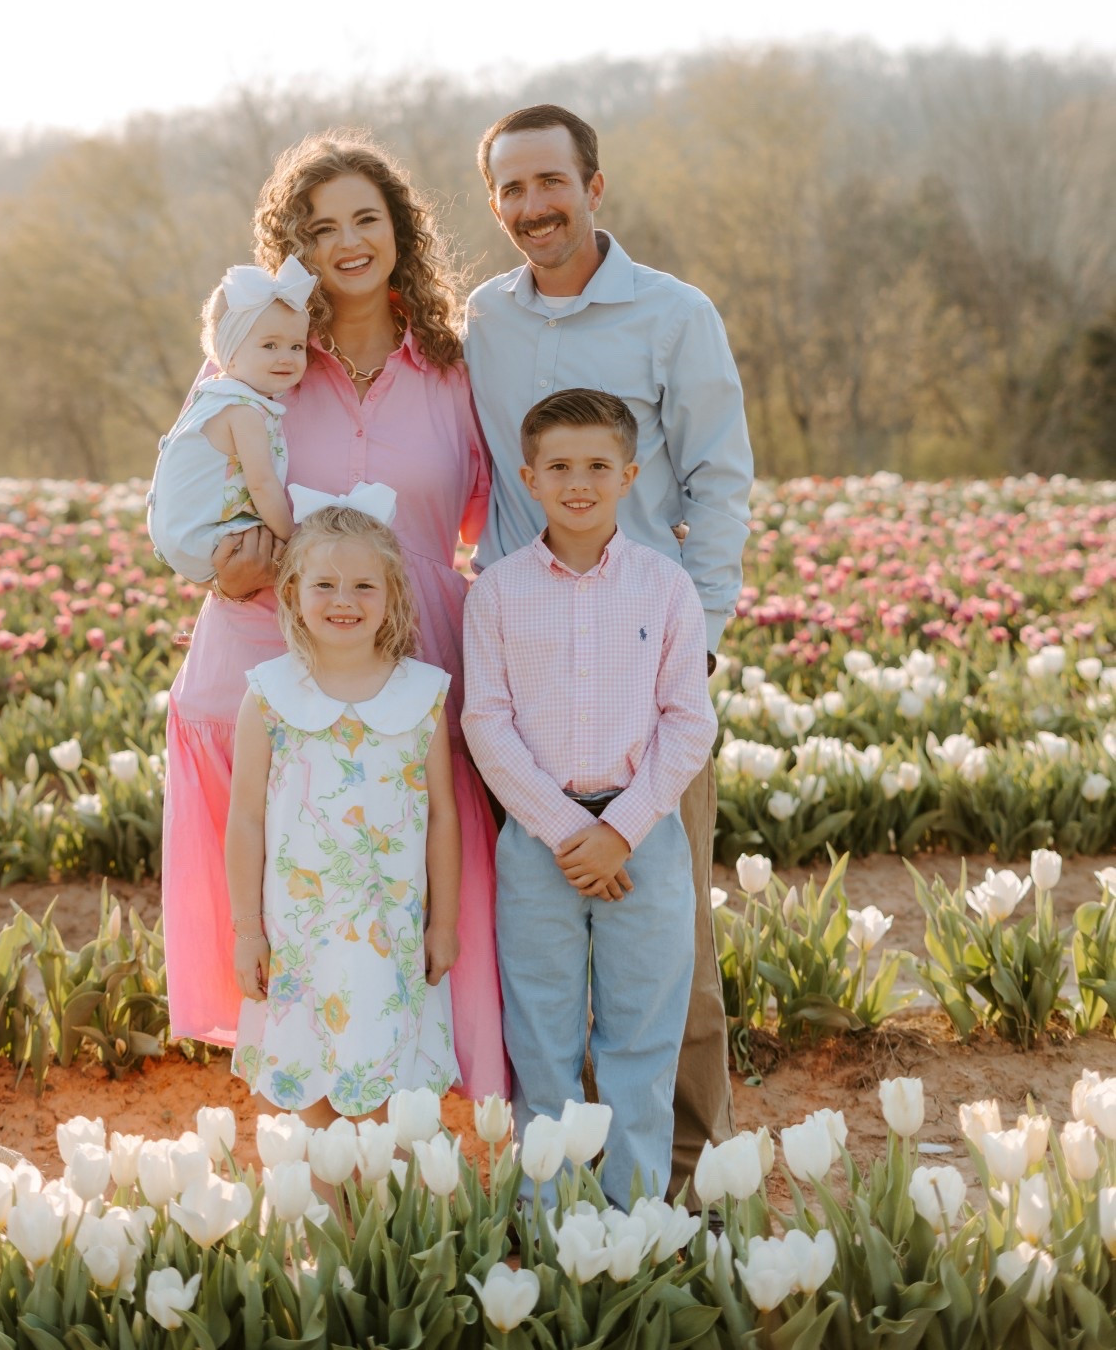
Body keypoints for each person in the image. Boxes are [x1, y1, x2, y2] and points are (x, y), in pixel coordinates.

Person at [162, 131, 508, 1099]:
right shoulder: (260, 360)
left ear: (401, 227)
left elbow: (494, 510)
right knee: (304, 896)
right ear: (293, 250)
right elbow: (182, 501)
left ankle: (464, 1126)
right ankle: (313, 1145)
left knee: (438, 891)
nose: (348, 241)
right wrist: (223, 559)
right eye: (320, 228)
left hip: (422, 653)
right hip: (271, 652)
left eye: (366, 217)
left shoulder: (456, 367)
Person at [462, 102, 753, 1191]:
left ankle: (683, 1178)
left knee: (669, 957)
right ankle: (554, 1188)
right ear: (494, 201)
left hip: (649, 674)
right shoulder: (482, 320)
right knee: (537, 953)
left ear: (595, 185)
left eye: (550, 181)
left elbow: (721, 475)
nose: (532, 206)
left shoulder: (673, 314)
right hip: (524, 673)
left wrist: (704, 635)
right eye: (509, 189)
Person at [462, 388, 716, 1204]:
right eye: (560, 466)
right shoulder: (496, 593)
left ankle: (636, 1219)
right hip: (538, 844)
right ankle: (549, 1220)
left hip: (647, 841)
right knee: (543, 1037)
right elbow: (486, 724)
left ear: (630, 475)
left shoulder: (666, 586)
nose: (580, 482)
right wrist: (573, 832)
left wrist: (624, 829)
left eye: (598, 466)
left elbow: (688, 723)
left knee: (641, 1035)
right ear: (529, 477)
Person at [227, 498, 460, 1118]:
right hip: (300, 934)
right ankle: (323, 1211)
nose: (344, 601)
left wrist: (444, 923)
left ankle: (390, 1212)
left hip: (392, 932)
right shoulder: (269, 696)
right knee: (310, 1092)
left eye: (364, 586)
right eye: (325, 585)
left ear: (392, 596)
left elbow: (442, 817)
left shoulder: (422, 693)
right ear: (294, 592)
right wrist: (247, 931)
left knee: (391, 1091)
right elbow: (246, 819)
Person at [146, 257, 314, 583]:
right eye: (269, 345)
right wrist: (293, 538)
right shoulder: (243, 412)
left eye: (297, 346)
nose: (286, 357)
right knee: (306, 562)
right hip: (209, 541)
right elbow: (262, 484)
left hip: (181, 535)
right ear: (230, 352)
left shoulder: (214, 396)